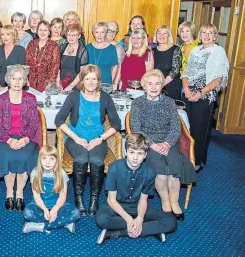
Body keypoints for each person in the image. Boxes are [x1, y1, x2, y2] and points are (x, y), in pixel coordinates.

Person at [130, 69, 196, 221]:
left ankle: (174, 202)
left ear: (162, 86)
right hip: (148, 143)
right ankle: (165, 201)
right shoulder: (138, 103)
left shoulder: (169, 102)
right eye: (150, 84)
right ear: (144, 86)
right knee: (160, 170)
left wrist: (167, 143)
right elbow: (136, 129)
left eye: (157, 84)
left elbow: (175, 127)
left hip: (168, 141)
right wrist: (152, 145)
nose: (153, 87)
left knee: (173, 169)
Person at [55, 65, 120, 216]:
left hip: (97, 138)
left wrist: (100, 138)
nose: (91, 82)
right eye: (87, 79)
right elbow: (59, 120)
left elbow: (116, 124)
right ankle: (79, 198)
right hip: (76, 138)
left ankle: (94, 199)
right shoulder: (74, 96)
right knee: (82, 158)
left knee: (97, 159)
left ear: (98, 81)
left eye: (94, 79)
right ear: (82, 81)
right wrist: (76, 138)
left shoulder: (106, 98)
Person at [95, 133, 177, 244]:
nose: (135, 157)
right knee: (101, 219)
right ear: (126, 152)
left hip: (137, 206)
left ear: (145, 155)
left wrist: (140, 218)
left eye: (140, 153)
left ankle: (116, 233)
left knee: (171, 221)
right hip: (117, 206)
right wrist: (129, 219)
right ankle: (150, 230)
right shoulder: (114, 168)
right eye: (131, 152)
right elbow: (111, 200)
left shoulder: (149, 172)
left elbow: (143, 200)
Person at [182, 23, 230, 170]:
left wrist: (200, 92)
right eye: (204, 32)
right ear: (200, 36)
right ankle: (184, 158)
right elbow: (186, 73)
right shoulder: (195, 50)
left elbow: (218, 79)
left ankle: (196, 162)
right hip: (188, 94)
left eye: (211, 33)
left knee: (199, 130)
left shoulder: (219, 52)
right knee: (186, 128)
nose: (207, 36)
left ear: (216, 36)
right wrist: (186, 89)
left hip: (204, 95)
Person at [0, 65, 40, 211]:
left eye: (20, 79)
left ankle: (19, 193)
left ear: (25, 81)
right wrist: (10, 140)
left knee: (24, 156)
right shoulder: (0, 99)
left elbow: (34, 123)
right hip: (4, 138)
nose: (17, 82)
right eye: (14, 79)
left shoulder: (31, 98)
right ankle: (9, 192)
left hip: (26, 138)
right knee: (8, 155)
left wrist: (25, 139)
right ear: (8, 80)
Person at [22, 145, 81, 234]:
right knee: (27, 213)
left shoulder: (62, 173)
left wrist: (55, 209)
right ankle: (64, 223)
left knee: (76, 213)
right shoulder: (35, 173)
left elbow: (63, 196)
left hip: (58, 205)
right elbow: (37, 197)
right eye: (44, 158)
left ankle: (38, 226)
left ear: (56, 160)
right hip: (40, 205)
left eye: (51, 159)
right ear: (40, 160)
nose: (47, 162)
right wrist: (45, 210)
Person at [26, 20, 60, 92]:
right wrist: (26, 80)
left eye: (45, 30)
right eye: (40, 30)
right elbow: (26, 62)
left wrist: (50, 85)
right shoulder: (31, 44)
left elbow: (55, 67)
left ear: (49, 32)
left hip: (46, 83)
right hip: (30, 82)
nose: (42, 32)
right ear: (37, 31)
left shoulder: (54, 46)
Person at [152, 25, 182, 100]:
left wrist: (162, 84)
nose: (162, 35)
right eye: (159, 33)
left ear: (168, 35)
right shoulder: (152, 51)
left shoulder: (176, 49)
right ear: (156, 35)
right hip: (155, 86)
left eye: (165, 33)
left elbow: (175, 70)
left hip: (171, 86)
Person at [0, 25, 26, 91]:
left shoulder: (21, 50)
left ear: (13, 36)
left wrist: (14, 87)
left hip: (16, 85)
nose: (5, 37)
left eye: (8, 34)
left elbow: (21, 71)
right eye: (2, 34)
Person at [60, 24, 89, 91]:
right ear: (66, 35)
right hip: (61, 85)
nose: (71, 37)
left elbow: (82, 72)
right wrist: (58, 83)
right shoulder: (62, 47)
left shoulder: (83, 50)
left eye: (74, 35)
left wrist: (70, 86)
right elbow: (58, 68)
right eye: (69, 34)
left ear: (78, 36)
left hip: (75, 86)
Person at [105, 21, 126, 90]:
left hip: (112, 82)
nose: (112, 33)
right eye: (109, 30)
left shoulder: (118, 48)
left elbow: (121, 67)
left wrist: (115, 84)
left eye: (114, 31)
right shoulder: (99, 45)